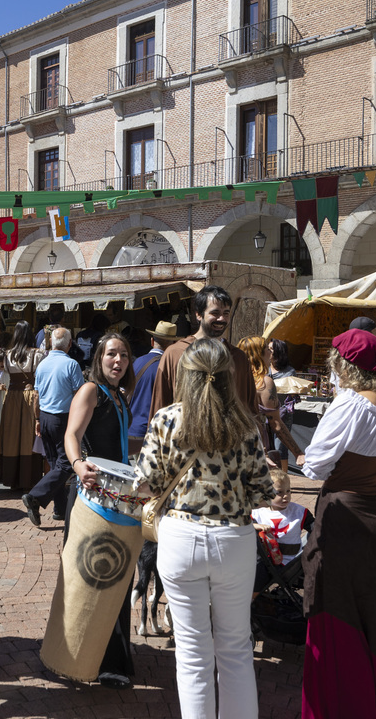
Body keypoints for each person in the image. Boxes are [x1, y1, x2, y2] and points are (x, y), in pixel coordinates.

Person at [133, 338, 274, 718]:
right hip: (233, 538)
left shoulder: (166, 419)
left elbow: (144, 483)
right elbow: (263, 491)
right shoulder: (244, 424)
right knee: (236, 649)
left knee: (193, 654)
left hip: (180, 536)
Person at [301, 328, 376, 719]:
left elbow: (316, 465)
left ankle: (350, 707)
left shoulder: (350, 405)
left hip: (348, 526)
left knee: (343, 620)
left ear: (347, 367)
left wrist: (300, 462)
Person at [62, 333, 136, 689]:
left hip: (118, 499)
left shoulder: (121, 396)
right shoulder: (90, 390)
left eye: (123, 355)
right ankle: (82, 656)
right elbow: (71, 434)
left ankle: (115, 658)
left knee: (117, 579)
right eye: (111, 354)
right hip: (92, 499)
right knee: (89, 580)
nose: (117, 361)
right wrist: (78, 464)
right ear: (99, 359)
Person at [149, 286, 258, 428]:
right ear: (198, 315)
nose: (222, 319)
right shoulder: (175, 354)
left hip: (231, 445)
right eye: (215, 313)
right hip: (185, 443)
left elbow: (250, 408)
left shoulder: (238, 357)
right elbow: (160, 406)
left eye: (226, 313)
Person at [23, 327, 86, 526]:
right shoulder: (71, 364)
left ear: (51, 343)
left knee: (55, 464)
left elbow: (36, 396)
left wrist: (37, 419)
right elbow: (80, 395)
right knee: (67, 464)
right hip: (62, 418)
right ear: (69, 344)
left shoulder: (43, 364)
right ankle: (36, 496)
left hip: (46, 416)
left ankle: (60, 509)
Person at [238, 335, 304, 467]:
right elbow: (276, 423)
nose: (270, 352)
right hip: (253, 446)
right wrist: (298, 453)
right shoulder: (263, 382)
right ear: (259, 354)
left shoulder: (230, 377)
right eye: (267, 349)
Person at [0, 321, 45, 490]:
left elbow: (6, 373)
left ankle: (13, 478)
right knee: (28, 436)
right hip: (30, 396)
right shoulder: (38, 354)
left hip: (12, 397)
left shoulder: (7, 354)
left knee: (11, 436)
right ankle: (28, 478)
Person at [251, 469, 313, 597]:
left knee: (258, 573)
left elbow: (316, 529)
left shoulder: (298, 512)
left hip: (285, 562)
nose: (285, 496)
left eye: (288, 491)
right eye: (279, 492)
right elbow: (242, 524)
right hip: (264, 557)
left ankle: (250, 599)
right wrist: (256, 525)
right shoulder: (258, 512)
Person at [127, 321, 176, 460]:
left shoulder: (137, 362)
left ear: (152, 341)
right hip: (149, 435)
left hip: (129, 430)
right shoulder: (167, 368)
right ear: (172, 345)